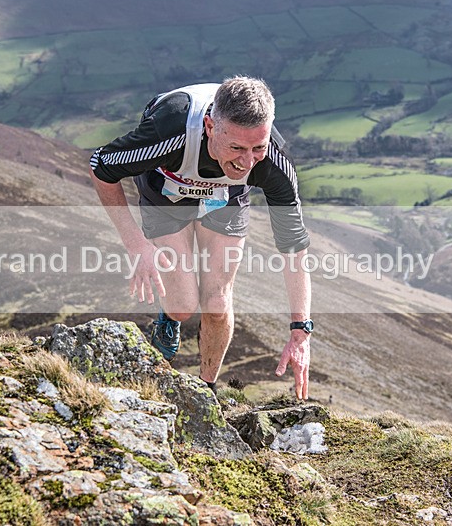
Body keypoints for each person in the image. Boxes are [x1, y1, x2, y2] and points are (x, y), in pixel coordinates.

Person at [89, 76, 312, 399]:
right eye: (236, 147)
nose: (247, 161)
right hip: (165, 192)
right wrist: (137, 246)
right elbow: (101, 166)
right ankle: (170, 317)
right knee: (182, 306)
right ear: (209, 126)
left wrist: (300, 330)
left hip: (226, 196)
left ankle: (206, 390)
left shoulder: (272, 165)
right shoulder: (169, 133)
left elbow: (294, 248)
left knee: (217, 303)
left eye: (257, 148)